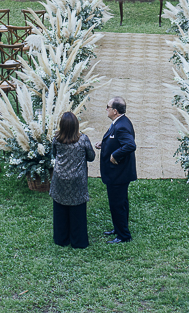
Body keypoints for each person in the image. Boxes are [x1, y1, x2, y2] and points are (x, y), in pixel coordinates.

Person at [51, 112, 96, 249]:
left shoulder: (56, 139)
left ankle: (61, 238)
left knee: (60, 209)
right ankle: (78, 241)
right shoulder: (83, 140)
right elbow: (91, 156)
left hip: (60, 179)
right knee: (78, 212)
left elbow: (54, 154)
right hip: (77, 180)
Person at [95, 96, 136, 244]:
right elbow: (116, 139)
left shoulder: (122, 125)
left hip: (118, 174)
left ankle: (123, 236)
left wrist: (115, 154)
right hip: (118, 174)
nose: (106, 109)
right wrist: (104, 144)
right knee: (120, 203)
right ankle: (118, 228)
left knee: (118, 204)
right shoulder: (119, 122)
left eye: (108, 106)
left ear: (115, 111)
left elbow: (130, 145)